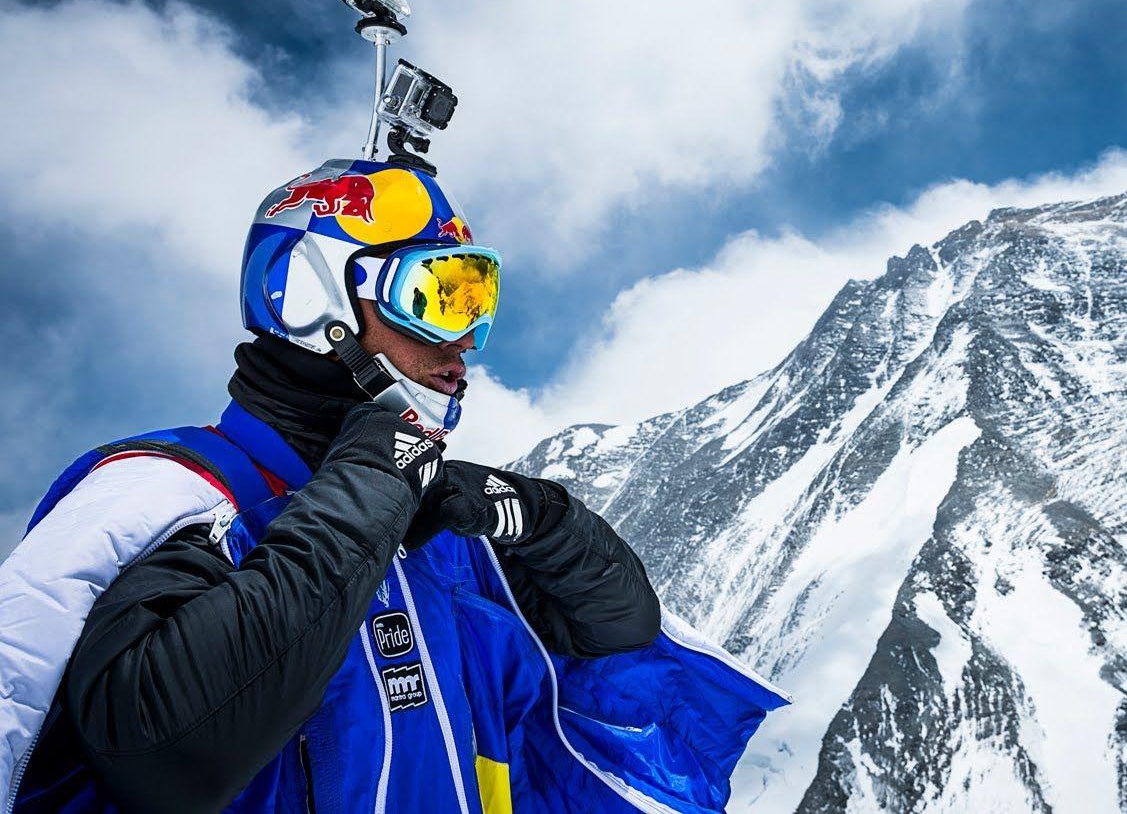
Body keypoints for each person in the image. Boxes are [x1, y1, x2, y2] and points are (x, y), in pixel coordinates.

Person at [0, 160, 787, 813]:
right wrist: (375, 478)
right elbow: (162, 749)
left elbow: (617, 636)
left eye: (478, 306)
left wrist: (548, 521)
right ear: (313, 304)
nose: (464, 350)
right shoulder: (170, 500)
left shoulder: (430, 533)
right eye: (438, 300)